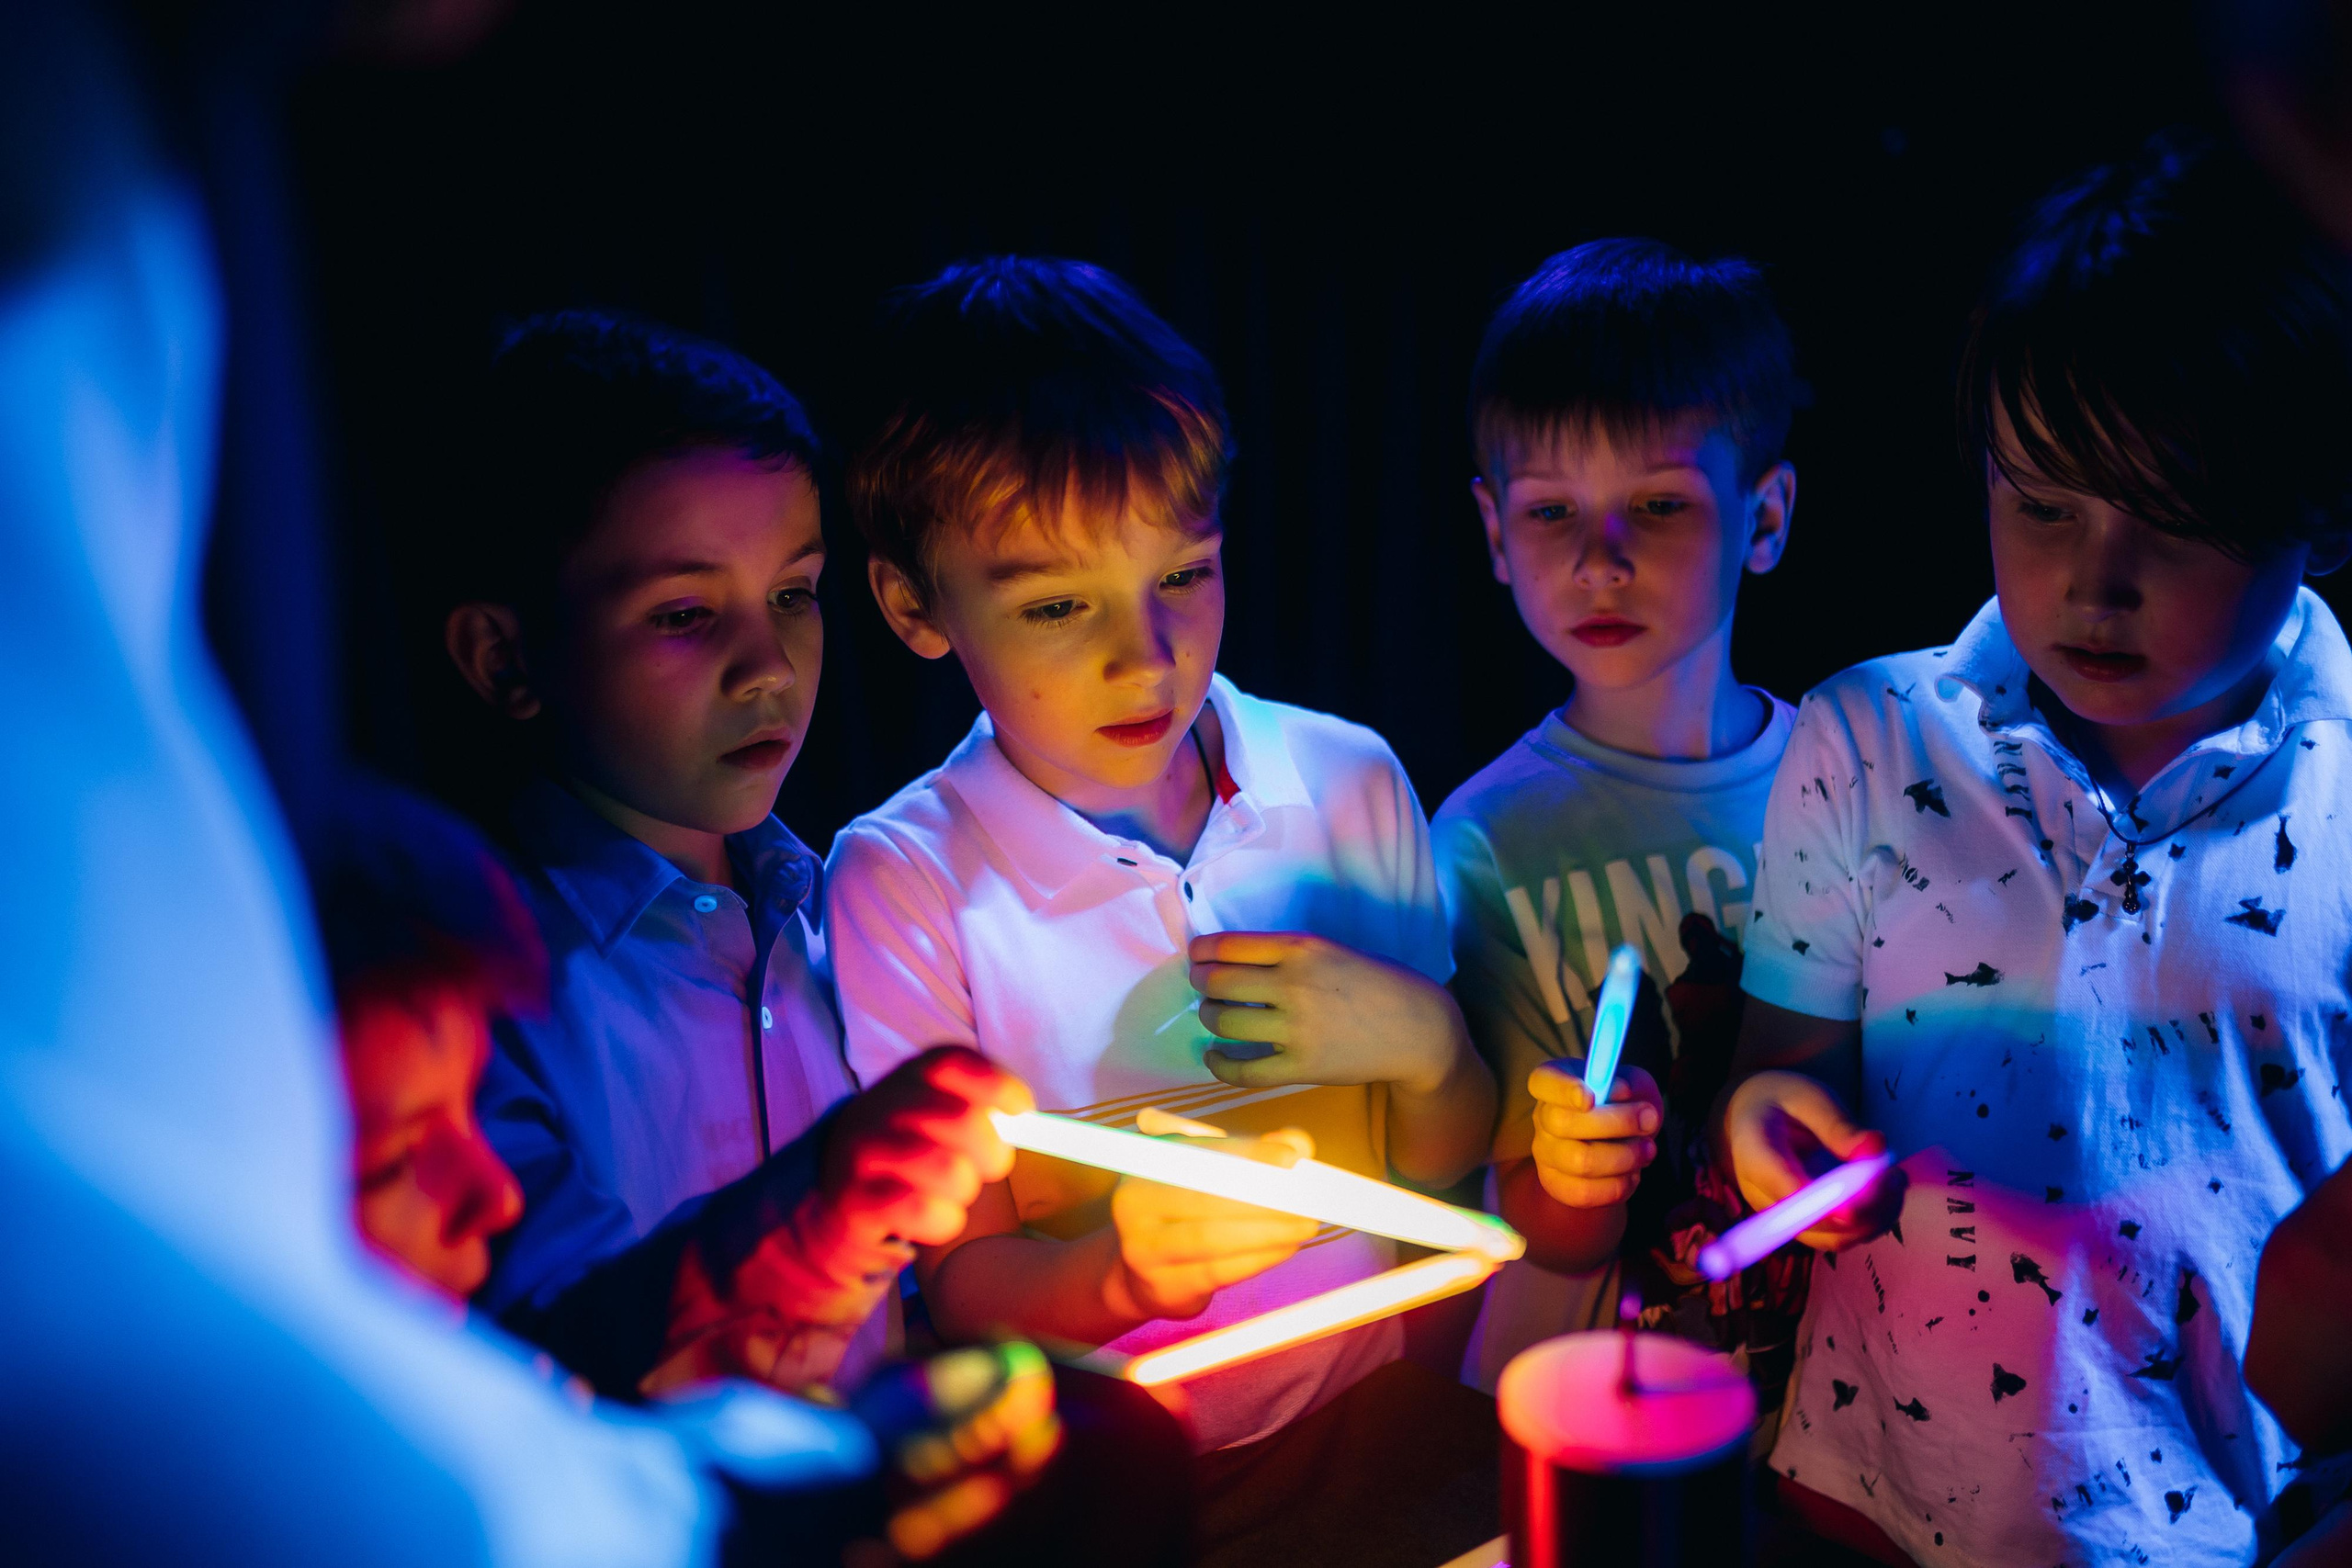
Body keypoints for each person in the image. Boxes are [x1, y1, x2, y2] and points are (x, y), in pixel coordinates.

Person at [1716, 131, 2352, 1565]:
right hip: (1859, 1497)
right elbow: (1783, 1068)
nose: (2091, 582)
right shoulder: (1866, 740)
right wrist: (1770, 1134)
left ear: (2317, 515)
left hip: (2224, 1531)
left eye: (2172, 524)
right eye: (2042, 503)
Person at [824, 255, 1500, 1568]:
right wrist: (1118, 1277)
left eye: (1183, 574)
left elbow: (1446, 1158)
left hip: (1371, 1420)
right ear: (915, 606)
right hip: (1107, 1484)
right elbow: (960, 1278)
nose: (1146, 654)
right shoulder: (903, 880)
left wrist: (1421, 1039)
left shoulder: (1348, 776)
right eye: (1058, 604)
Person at [440, 310, 1032, 1397]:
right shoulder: (476, 1003)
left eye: (794, 595)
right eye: (681, 613)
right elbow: (538, 1347)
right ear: (505, 657)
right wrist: (811, 1208)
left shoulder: (840, 912)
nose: (768, 668)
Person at [1431, 239, 1802, 1393]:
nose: (1601, 561)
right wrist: (1577, 1171)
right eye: (1552, 514)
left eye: (1656, 504)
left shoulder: (1850, 776)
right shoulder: (1483, 839)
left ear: (1767, 516)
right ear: (1495, 534)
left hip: (1824, 1409)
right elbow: (1522, 1214)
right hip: (1589, 1415)